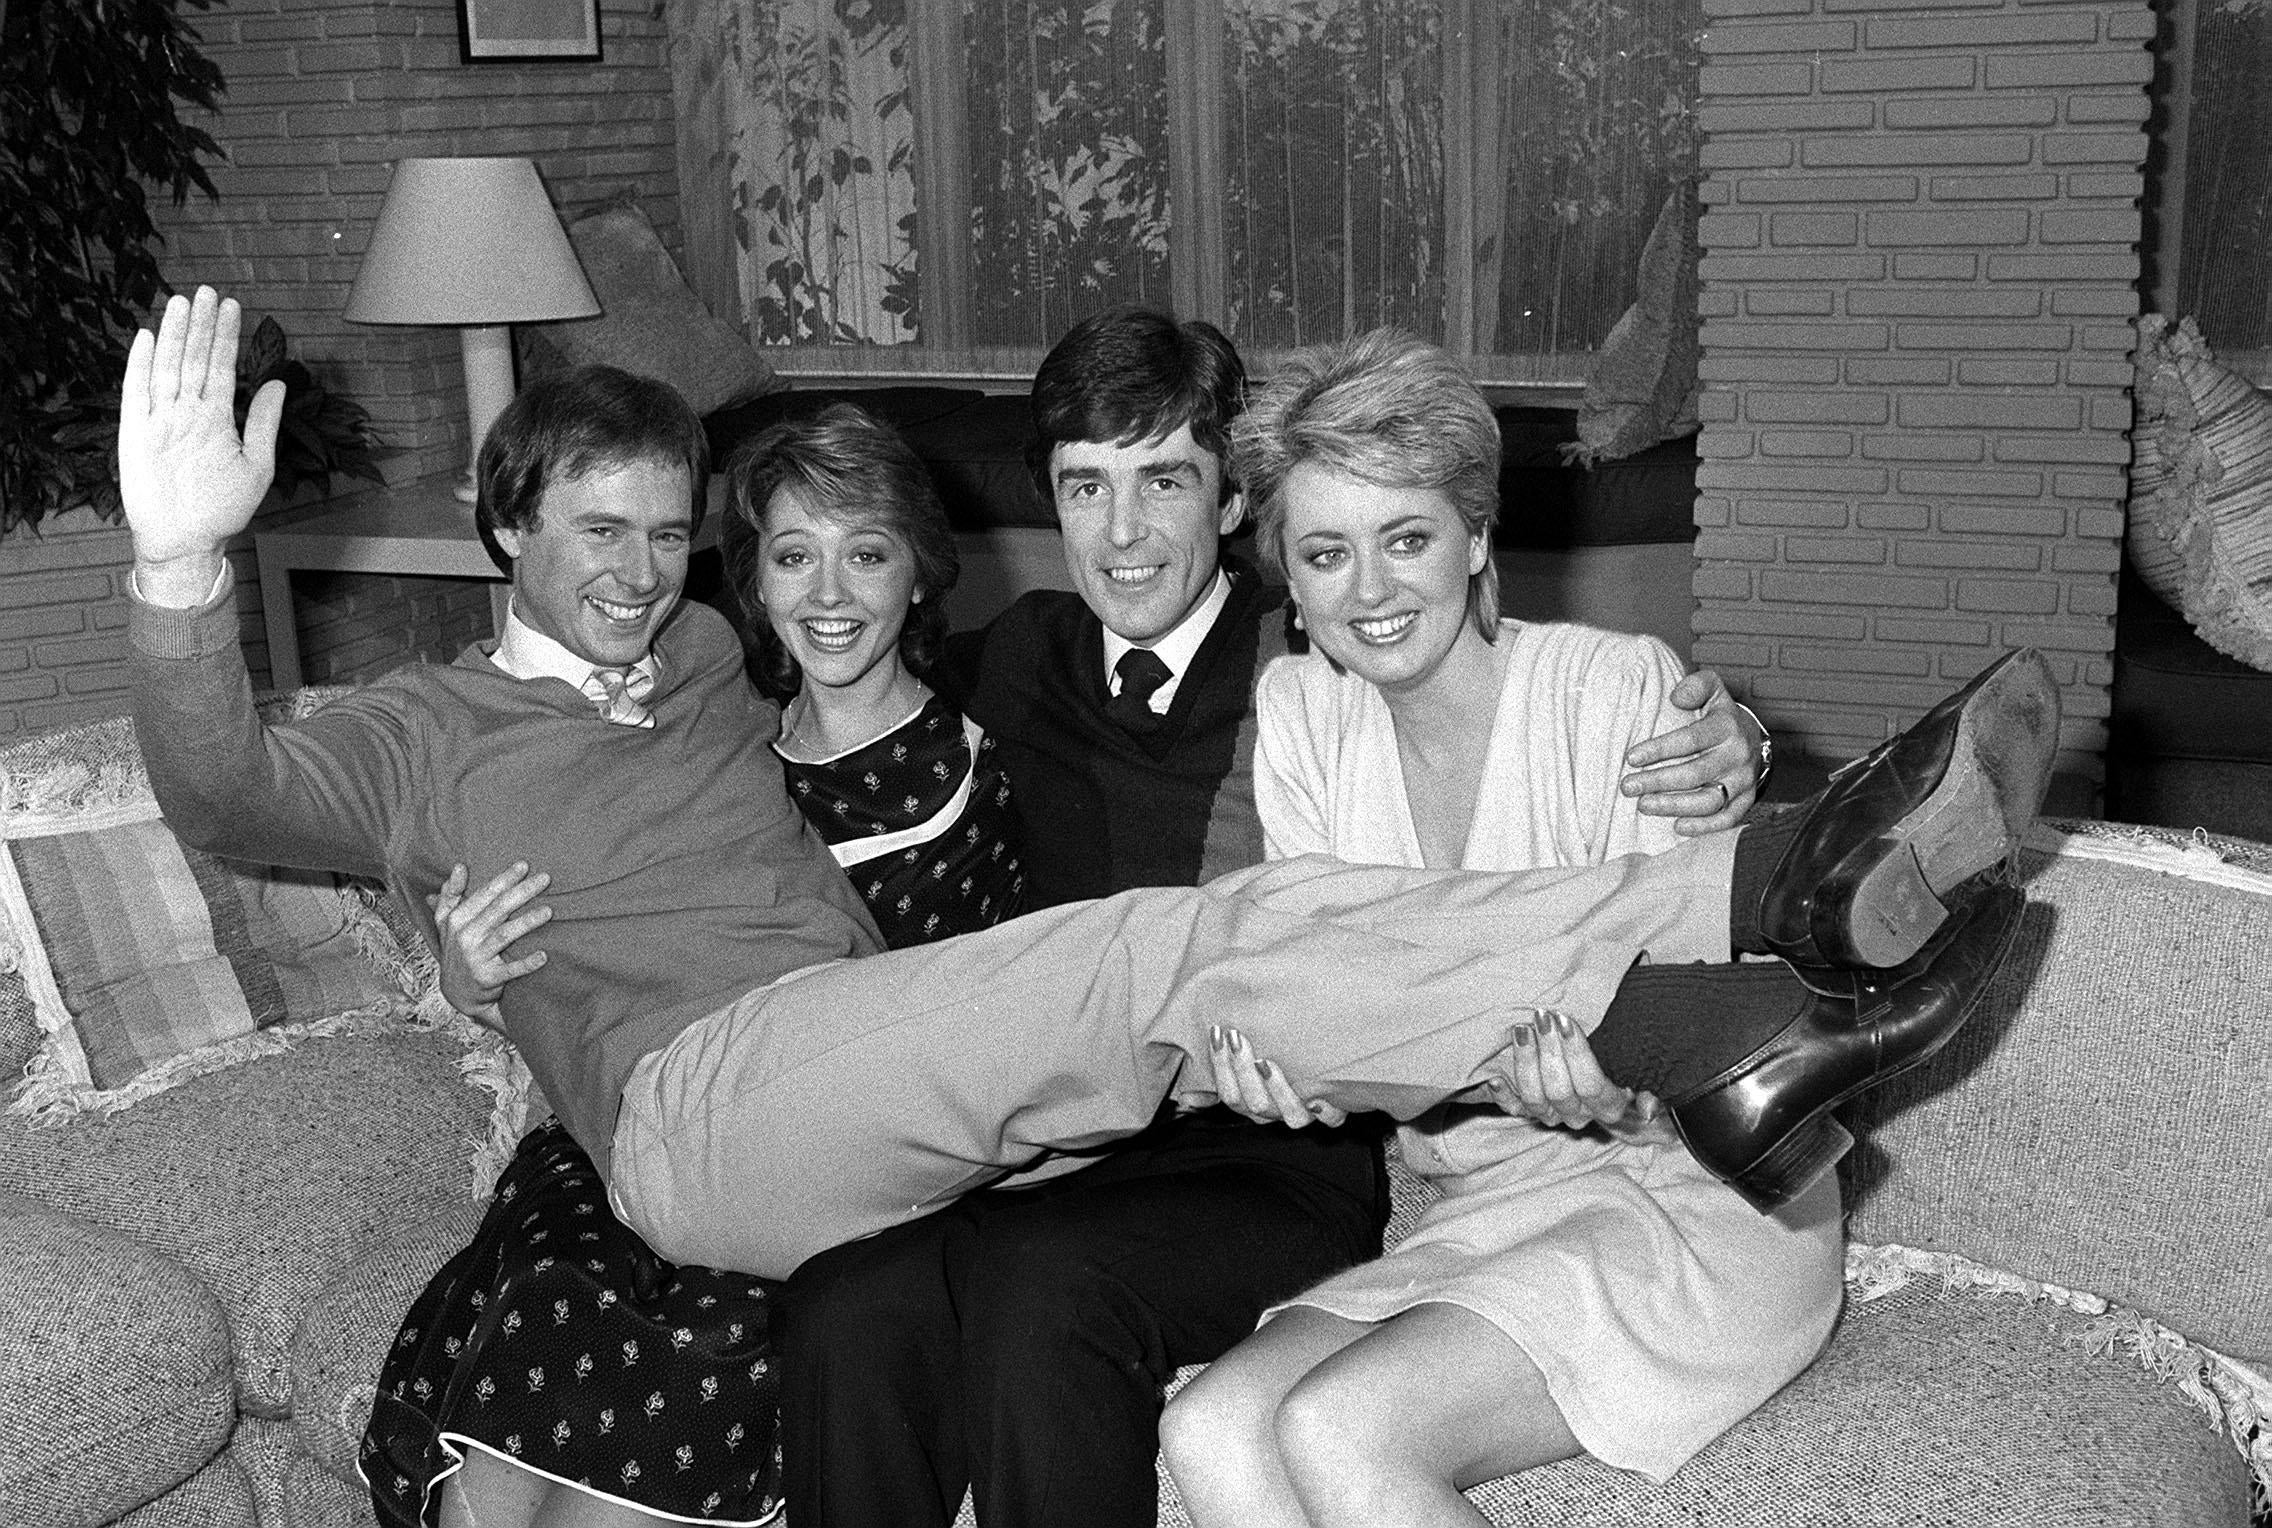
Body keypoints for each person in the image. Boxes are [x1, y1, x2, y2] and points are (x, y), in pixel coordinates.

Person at [122, 285, 2053, 1479]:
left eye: (658, 534)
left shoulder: (706, 664)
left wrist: (1703, 739)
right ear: (502, 530)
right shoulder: (416, 729)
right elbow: (224, 791)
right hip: (708, 1101)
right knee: (1158, 951)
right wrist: (184, 572)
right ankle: (1757, 912)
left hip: (882, 1096)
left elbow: (850, 712)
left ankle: (1727, 976)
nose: (636, 570)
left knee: (982, 1248)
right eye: (590, 533)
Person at [772, 305, 1774, 1528]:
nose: (1125, 531)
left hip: (1618, 1172)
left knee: (1171, 1348)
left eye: (1404, 536)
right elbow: (845, 683)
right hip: (1292, 1157)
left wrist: (1746, 748)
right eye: (1086, 486)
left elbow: (1696, 979)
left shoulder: (1568, 689)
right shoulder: (1177, 684)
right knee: (937, 1334)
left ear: (1473, 536)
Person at [1157, 329, 1866, 1526]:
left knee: (1341, 1425)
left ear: (1477, 536)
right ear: (1286, 570)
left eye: (1408, 538)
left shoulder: (1617, 695)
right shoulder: (1296, 718)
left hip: (1691, 1189)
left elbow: (1703, 1030)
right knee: (1208, 1423)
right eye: (1326, 551)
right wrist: (1302, 1073)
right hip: (1485, 1201)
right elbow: (1345, 1001)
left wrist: (1607, 1087)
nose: (1369, 591)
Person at [362, 403, 1029, 1528]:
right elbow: (542, 900)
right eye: (791, 557)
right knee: (502, 1436)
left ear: (918, 575)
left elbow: (970, 1040)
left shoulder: (964, 782)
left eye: (866, 555)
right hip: (621, 1131)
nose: (828, 595)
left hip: (825, 1158)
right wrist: (461, 978)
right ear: (751, 581)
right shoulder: (709, 718)